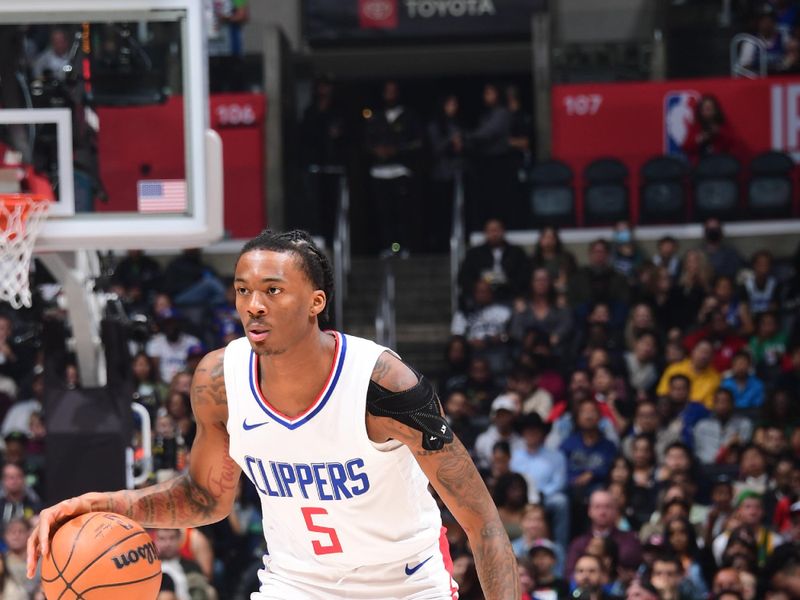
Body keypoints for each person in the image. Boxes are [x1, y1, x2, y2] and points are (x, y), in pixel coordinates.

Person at [28, 229, 520, 598]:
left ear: (316, 302)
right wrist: (102, 503)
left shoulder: (381, 385)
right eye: (243, 290)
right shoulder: (219, 379)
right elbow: (206, 498)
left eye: (273, 290)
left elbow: (484, 525)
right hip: (294, 582)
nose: (254, 306)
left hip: (403, 583)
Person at [365, 80, 423, 254]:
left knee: (402, 212)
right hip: (379, 172)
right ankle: (388, 247)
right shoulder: (376, 117)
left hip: (400, 171)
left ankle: (402, 246)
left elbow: (417, 142)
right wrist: (377, 151)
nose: (390, 95)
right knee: (384, 212)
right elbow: (366, 143)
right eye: (387, 91)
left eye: (393, 91)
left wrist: (396, 150)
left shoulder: (408, 116)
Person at [510, 413, 570, 550]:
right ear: (523, 433)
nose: (531, 433)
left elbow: (559, 482)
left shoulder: (556, 456)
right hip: (521, 498)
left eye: (535, 430)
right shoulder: (515, 456)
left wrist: (543, 493)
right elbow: (512, 480)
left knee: (561, 501)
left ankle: (560, 547)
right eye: (528, 430)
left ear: (542, 433)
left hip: (546, 499)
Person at [565, 490, 643, 578]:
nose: (602, 512)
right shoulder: (578, 543)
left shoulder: (630, 539)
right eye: (597, 507)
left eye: (607, 507)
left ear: (616, 511)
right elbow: (570, 574)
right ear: (589, 511)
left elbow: (631, 563)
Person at [458, 218, 530, 308]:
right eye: (491, 231)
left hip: (510, 295)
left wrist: (504, 281)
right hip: (481, 296)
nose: (494, 234)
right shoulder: (474, 253)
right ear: (485, 233)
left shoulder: (516, 252)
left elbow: (524, 276)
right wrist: (478, 287)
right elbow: (463, 277)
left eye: (497, 230)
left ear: (503, 231)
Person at [693, 388, 754, 464]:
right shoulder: (702, 426)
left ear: (732, 404)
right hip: (706, 468)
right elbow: (697, 451)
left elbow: (746, 450)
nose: (722, 405)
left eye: (725, 401)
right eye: (718, 402)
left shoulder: (744, 424)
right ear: (713, 404)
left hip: (734, 467)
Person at [657, 340, 721, 409]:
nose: (703, 356)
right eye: (701, 351)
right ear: (693, 351)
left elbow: (708, 405)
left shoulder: (715, 378)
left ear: (712, 357)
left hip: (697, 413)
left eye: (707, 353)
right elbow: (662, 393)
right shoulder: (674, 369)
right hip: (671, 408)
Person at [682, 95, 736, 163]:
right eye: (703, 110)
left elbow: (734, 143)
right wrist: (699, 139)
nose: (706, 112)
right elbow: (685, 147)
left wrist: (719, 132)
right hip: (701, 163)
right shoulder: (697, 126)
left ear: (715, 110)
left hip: (721, 163)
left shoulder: (723, 124)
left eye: (709, 109)